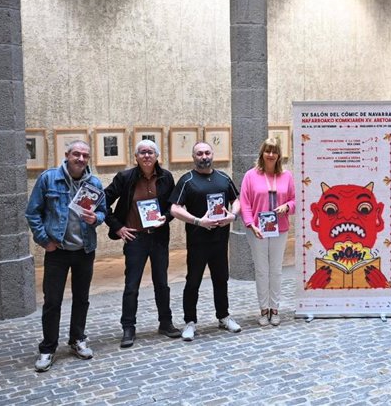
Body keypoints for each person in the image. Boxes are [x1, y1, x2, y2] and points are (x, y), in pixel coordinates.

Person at [25, 140, 107, 372]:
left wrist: (96, 219)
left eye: (85, 156)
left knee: (82, 298)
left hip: (84, 250)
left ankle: (77, 339)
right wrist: (44, 241)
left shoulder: (94, 182)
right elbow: (32, 213)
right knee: (52, 301)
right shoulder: (48, 179)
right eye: (76, 154)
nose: (81, 159)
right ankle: (48, 348)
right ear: (67, 155)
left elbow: (103, 211)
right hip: (58, 251)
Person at [104, 140, 181, 348]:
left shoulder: (166, 177)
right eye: (142, 152)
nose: (147, 156)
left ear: (157, 156)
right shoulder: (125, 178)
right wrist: (118, 227)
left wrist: (166, 217)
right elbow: (102, 201)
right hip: (135, 238)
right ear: (136, 157)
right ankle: (128, 327)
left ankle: (165, 323)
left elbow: (172, 206)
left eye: (150, 152)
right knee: (132, 285)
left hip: (158, 237)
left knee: (162, 283)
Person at [169, 141, 242, 341]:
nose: (204, 156)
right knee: (193, 282)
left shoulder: (223, 178)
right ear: (193, 157)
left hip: (220, 240)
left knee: (221, 279)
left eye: (207, 152)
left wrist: (232, 216)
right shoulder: (187, 180)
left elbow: (237, 200)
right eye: (199, 153)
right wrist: (198, 221)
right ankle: (190, 322)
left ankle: (223, 316)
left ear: (212, 155)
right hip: (198, 241)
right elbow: (175, 208)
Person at [239, 138, 296, 326]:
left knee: (276, 270)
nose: (270, 155)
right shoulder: (250, 175)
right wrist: (250, 224)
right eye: (267, 151)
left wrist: (286, 207)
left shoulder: (287, 176)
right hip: (257, 229)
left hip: (280, 228)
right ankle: (263, 309)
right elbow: (244, 203)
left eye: (274, 151)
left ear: (279, 155)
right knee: (262, 270)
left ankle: (275, 308)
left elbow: (295, 201)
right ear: (262, 153)